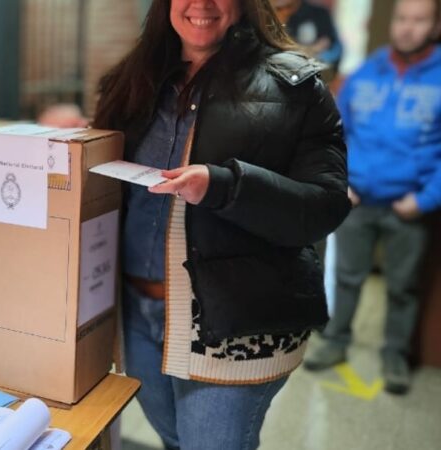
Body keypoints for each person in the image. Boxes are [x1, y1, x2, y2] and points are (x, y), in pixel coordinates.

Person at [93, 0, 349, 448]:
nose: (201, 4)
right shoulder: (133, 80)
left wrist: (225, 187)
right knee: (175, 439)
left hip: (235, 320)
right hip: (139, 311)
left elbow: (324, 207)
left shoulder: (296, 87)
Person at [304, 0, 441, 395]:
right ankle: (336, 342)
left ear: (433, 27)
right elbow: (334, 133)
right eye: (402, 19)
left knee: (402, 287)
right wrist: (340, 181)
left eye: (419, 21)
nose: (407, 28)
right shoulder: (367, 71)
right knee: (346, 279)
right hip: (357, 199)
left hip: (410, 207)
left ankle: (395, 355)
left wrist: (426, 198)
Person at [273, 0, 343, 72]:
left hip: (315, 64)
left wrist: (306, 51)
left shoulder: (318, 12)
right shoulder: (273, 16)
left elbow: (327, 42)